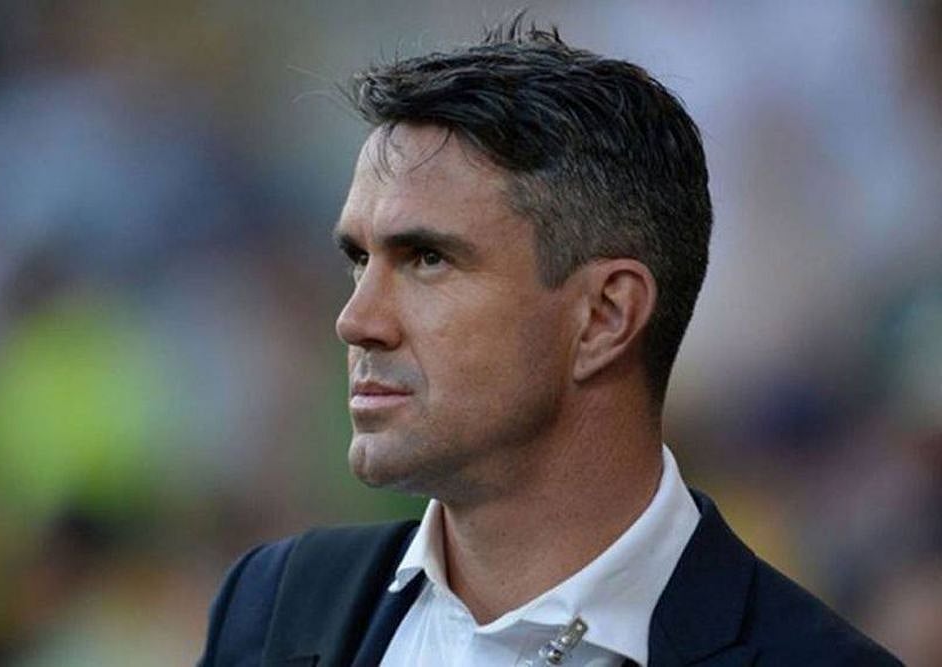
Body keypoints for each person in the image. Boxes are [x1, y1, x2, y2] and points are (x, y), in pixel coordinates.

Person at [199, 19, 901, 667]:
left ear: (605, 316)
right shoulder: (273, 606)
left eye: (427, 259)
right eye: (359, 259)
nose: (356, 320)